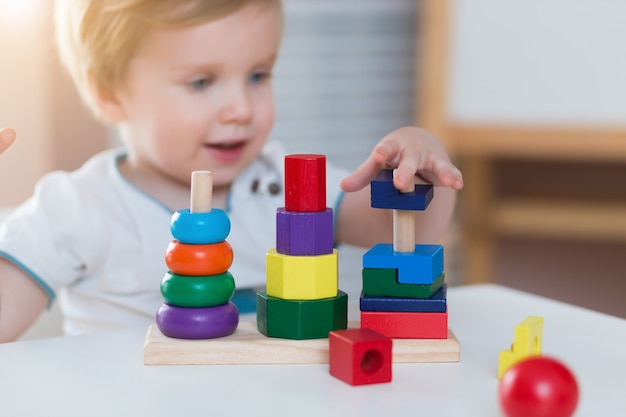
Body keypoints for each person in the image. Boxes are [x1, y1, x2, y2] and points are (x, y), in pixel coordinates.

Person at [0, 0, 463, 342]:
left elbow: (405, 227)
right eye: (201, 82)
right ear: (109, 93)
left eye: (258, 75)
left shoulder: (286, 186)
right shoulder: (75, 208)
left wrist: (420, 167)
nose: (241, 108)